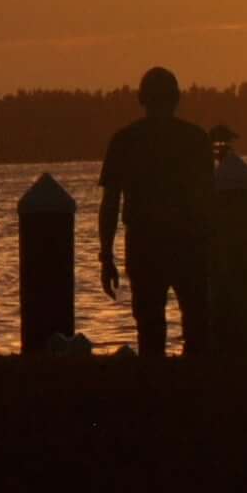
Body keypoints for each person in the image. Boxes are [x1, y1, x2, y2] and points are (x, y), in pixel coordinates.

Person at [98, 66, 214, 357]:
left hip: (144, 244)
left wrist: (106, 255)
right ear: (177, 99)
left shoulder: (124, 141)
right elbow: (208, 201)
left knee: (149, 328)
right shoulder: (197, 140)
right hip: (189, 243)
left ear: (142, 99)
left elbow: (110, 203)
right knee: (197, 325)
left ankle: (154, 390)